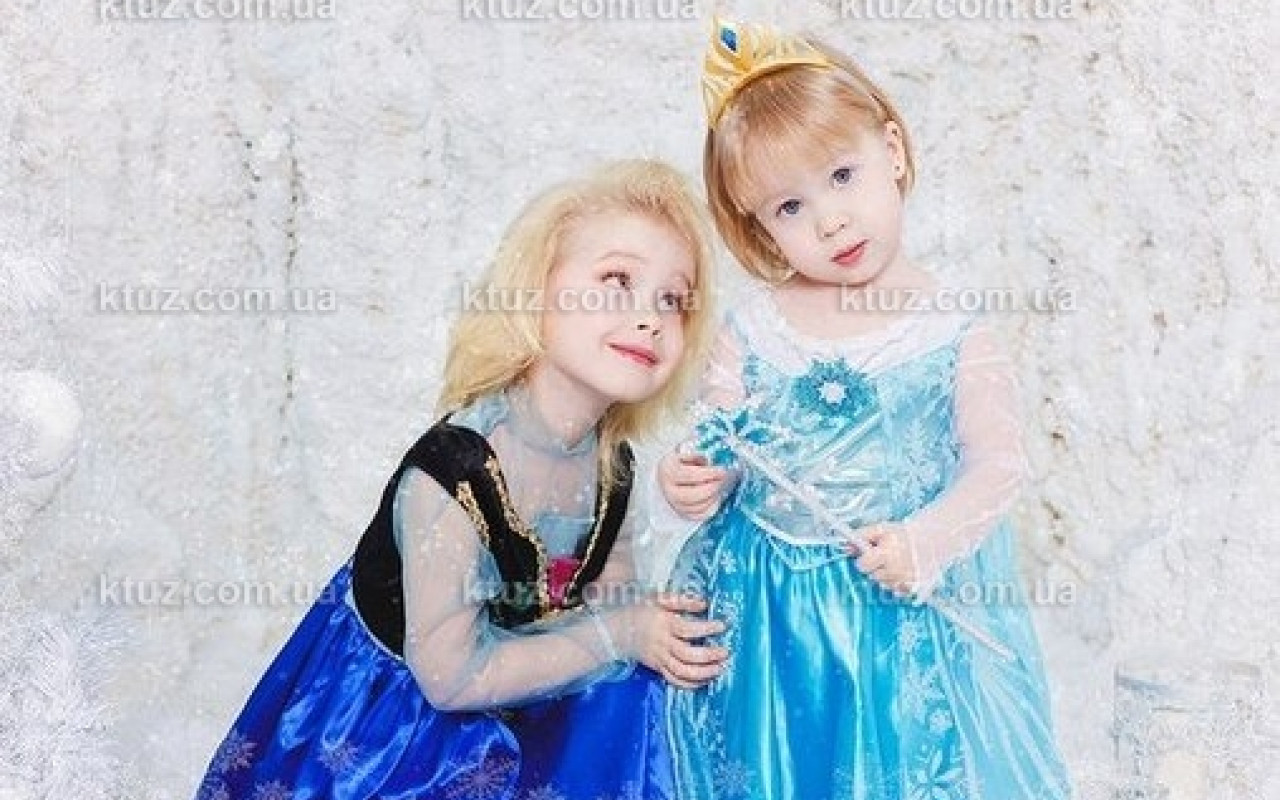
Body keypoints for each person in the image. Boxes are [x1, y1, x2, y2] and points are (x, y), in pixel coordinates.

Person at [195, 158, 730, 800]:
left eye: (673, 300)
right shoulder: (452, 475)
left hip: (519, 686)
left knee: (638, 691)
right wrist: (619, 633)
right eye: (617, 280)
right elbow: (450, 680)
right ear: (536, 287)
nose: (651, 318)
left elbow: (612, 605)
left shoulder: (612, 465)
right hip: (395, 728)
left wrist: (654, 620)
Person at [654, 20, 1072, 799]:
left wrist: (927, 540)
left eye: (843, 176)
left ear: (893, 150)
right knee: (783, 769)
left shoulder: (951, 330)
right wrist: (691, 475)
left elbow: (998, 463)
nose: (829, 220)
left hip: (898, 618)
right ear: (758, 226)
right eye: (789, 207)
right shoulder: (755, 329)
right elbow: (721, 440)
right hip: (775, 622)